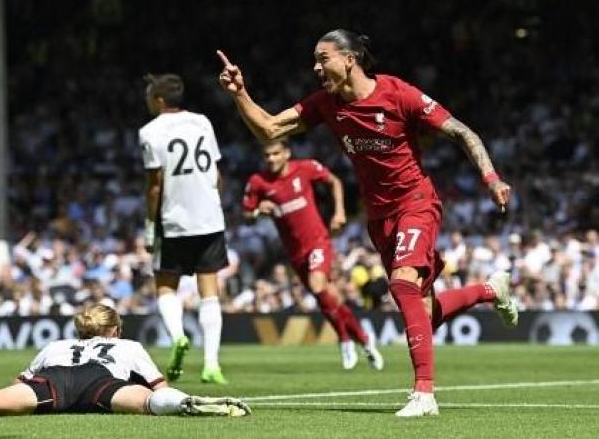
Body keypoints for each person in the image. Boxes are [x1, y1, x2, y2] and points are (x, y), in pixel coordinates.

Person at [217, 29, 518, 417]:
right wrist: (239, 93)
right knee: (421, 313)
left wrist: (491, 178)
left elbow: (462, 131)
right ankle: (490, 290)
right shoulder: (326, 104)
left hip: (416, 203)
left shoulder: (397, 93)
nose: (315, 67)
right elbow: (270, 129)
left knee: (401, 285)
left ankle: (424, 394)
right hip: (379, 219)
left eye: (322, 58)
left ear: (349, 58)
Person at [0, 304, 251, 422]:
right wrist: (165, 392)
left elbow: (21, 381)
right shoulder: (127, 345)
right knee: (147, 403)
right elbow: (158, 387)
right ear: (115, 329)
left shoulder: (57, 344)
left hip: (54, 377)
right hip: (102, 381)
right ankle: (190, 404)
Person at [242, 139, 384, 370]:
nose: (272, 159)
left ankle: (345, 340)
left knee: (318, 286)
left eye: (276, 153)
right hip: (295, 253)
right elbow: (246, 215)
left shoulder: (305, 168)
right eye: (267, 155)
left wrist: (339, 212)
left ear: (286, 153)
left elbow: (334, 181)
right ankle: (365, 339)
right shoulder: (258, 182)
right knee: (327, 297)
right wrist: (258, 211)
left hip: (318, 242)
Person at [138, 73, 229, 384]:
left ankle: (178, 336)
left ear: (160, 100)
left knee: (165, 286)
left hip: (174, 219)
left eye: (150, 96)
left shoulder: (150, 131)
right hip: (210, 218)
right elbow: (217, 173)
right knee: (209, 292)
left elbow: (154, 185)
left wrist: (150, 228)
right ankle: (212, 364)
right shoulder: (203, 122)